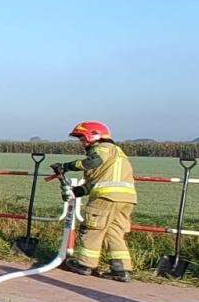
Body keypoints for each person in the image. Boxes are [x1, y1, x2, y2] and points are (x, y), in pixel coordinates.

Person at [53, 120, 137, 281]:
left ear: (94, 136)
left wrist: (67, 166)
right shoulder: (116, 153)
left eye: (82, 138)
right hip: (126, 199)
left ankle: (85, 264)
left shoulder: (103, 148)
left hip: (106, 198)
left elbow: (93, 162)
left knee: (92, 229)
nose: (81, 142)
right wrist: (76, 192)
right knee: (114, 232)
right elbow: (95, 182)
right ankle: (121, 269)